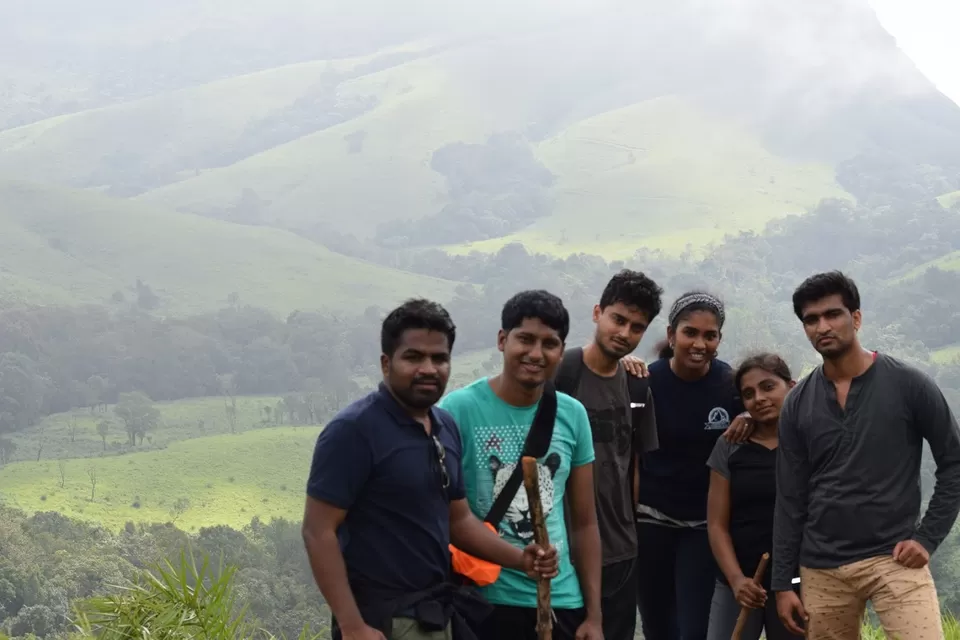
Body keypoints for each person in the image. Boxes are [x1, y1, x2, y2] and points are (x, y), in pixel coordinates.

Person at [302, 298, 559, 640]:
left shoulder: (444, 426)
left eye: (439, 358)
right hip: (380, 618)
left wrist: (521, 560)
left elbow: (459, 521)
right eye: (413, 357)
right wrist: (351, 626)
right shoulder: (355, 430)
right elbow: (318, 532)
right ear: (385, 363)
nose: (428, 368)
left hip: (436, 613)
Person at [773, 271, 960, 640]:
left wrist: (927, 538)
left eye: (832, 314)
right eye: (811, 320)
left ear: (855, 318)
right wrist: (784, 583)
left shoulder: (909, 385)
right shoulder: (797, 403)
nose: (822, 326)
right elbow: (790, 498)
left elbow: (954, 462)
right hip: (822, 568)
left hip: (894, 557)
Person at [438, 290, 604, 640]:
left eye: (549, 343)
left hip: (559, 600)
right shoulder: (457, 411)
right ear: (502, 340)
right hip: (481, 599)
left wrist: (594, 615)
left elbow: (585, 523)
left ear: (561, 350)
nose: (535, 353)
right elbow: (445, 516)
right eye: (525, 339)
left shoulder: (572, 415)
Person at [553, 268, 663, 640]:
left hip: (618, 550)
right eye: (618, 319)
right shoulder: (560, 375)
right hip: (559, 548)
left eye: (637, 327)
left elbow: (633, 466)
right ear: (598, 312)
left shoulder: (636, 385)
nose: (625, 333)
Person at [634, 290, 746, 640]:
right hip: (650, 520)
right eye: (690, 333)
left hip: (702, 525)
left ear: (719, 340)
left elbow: (768, 412)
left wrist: (747, 415)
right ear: (671, 335)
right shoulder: (647, 383)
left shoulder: (730, 386)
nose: (700, 343)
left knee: (693, 628)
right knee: (657, 625)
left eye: (709, 335)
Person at [705, 353, 802, 640]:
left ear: (791, 387)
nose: (759, 398)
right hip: (739, 582)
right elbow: (716, 525)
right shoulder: (729, 447)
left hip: (798, 584)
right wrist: (737, 581)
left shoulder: (808, 444)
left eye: (768, 387)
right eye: (748, 394)